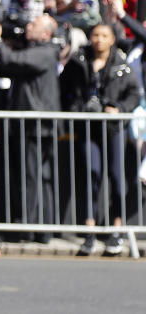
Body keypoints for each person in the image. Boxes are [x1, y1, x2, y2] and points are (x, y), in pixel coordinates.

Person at [60, 23, 139, 256]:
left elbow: (134, 93)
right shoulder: (79, 61)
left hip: (114, 129)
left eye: (104, 36)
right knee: (89, 175)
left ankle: (116, 228)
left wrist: (119, 108)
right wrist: (77, 110)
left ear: (113, 39)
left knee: (117, 176)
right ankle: (89, 229)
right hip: (88, 128)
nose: (99, 40)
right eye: (95, 35)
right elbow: (65, 89)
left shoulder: (121, 65)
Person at [0, 14, 61, 244]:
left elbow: (14, 62)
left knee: (33, 175)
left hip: (36, 125)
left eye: (34, 25)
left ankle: (28, 226)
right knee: (33, 175)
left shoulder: (47, 51)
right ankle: (38, 229)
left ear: (46, 33)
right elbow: (4, 68)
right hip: (28, 124)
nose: (27, 26)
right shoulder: (34, 49)